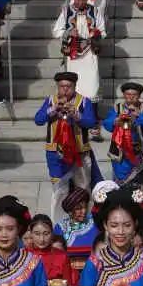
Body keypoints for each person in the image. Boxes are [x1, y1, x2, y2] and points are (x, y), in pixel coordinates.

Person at [35, 71, 98, 223]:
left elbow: (91, 122)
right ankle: (58, 225)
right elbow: (38, 120)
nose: (64, 90)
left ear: (75, 86)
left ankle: (87, 222)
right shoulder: (50, 100)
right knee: (59, 191)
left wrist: (76, 115)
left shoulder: (84, 101)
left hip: (79, 153)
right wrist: (53, 110)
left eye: (68, 86)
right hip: (56, 154)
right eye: (61, 86)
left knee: (83, 189)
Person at [52, 0, 105, 117]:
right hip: (73, 56)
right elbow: (56, 31)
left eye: (83, 0)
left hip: (90, 55)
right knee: (75, 86)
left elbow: (103, 31)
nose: (80, 3)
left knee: (92, 87)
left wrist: (95, 34)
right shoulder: (66, 12)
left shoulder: (95, 11)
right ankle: (74, 116)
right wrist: (69, 33)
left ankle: (92, 119)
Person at [103, 82, 143, 187]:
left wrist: (139, 116)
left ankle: (140, 202)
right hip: (120, 152)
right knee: (120, 182)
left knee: (140, 183)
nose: (131, 97)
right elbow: (107, 124)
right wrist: (116, 120)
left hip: (139, 152)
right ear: (124, 95)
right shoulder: (117, 108)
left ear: (139, 96)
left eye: (134, 95)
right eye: (128, 94)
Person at [54, 186, 100, 286]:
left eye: (85, 207)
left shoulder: (95, 223)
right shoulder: (60, 227)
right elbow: (56, 258)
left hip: (93, 273)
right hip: (66, 274)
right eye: (79, 208)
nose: (83, 211)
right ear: (70, 211)